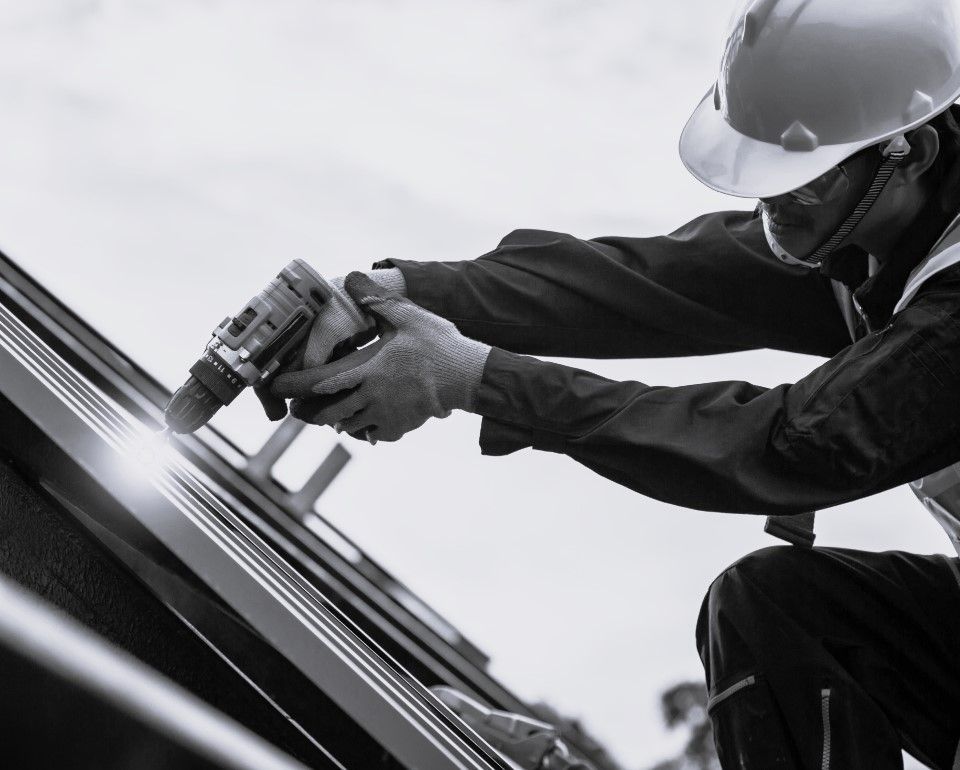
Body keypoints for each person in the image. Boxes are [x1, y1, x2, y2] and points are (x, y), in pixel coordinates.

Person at [257, 1, 960, 767]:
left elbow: (796, 446)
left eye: (798, 182)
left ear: (912, 152)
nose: (769, 207)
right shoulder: (876, 226)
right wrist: (397, 292)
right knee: (776, 609)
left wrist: (468, 378)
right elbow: (649, 283)